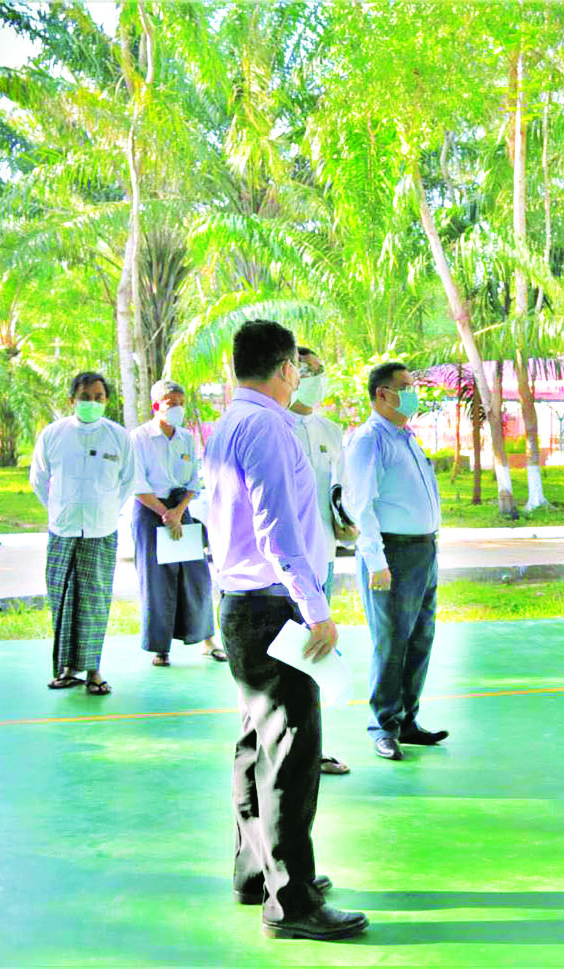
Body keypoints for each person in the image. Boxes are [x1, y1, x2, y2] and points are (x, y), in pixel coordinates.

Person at [203, 319, 367, 942]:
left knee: (255, 744)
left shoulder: (228, 423)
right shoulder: (270, 427)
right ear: (286, 368)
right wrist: (316, 608)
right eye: (300, 365)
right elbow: (277, 530)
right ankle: (292, 901)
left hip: (241, 602)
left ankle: (258, 873)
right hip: (273, 606)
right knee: (292, 755)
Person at [344, 362, 446, 762]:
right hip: (393, 552)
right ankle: (383, 726)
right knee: (391, 642)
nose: (412, 394)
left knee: (420, 638)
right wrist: (377, 561)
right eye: (404, 387)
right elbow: (361, 505)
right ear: (382, 394)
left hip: (424, 550)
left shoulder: (406, 437)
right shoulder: (370, 440)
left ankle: (407, 720)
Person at [30, 372, 137, 695]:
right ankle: (65, 669)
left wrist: (107, 509)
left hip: (101, 530)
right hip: (62, 530)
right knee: (62, 598)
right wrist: (57, 509)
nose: (92, 402)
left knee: (94, 601)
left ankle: (94, 671)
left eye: (98, 397)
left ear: (106, 400)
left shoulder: (118, 437)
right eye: (85, 397)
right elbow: (38, 478)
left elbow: (128, 480)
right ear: (72, 400)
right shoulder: (53, 434)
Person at [289, 347, 358, 775]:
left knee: (314, 653)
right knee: (281, 659)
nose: (316, 378)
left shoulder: (330, 431)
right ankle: (283, 750)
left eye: (320, 370)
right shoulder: (272, 428)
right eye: (306, 370)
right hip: (280, 567)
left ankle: (312, 748)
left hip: (322, 560)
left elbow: (340, 494)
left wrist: (347, 524)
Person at [130, 379, 220, 667]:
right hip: (150, 511)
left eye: (181, 403)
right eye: (171, 404)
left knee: (196, 575)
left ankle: (207, 640)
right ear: (156, 405)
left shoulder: (185, 438)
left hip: (181, 510)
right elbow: (138, 484)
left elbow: (193, 481)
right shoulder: (139, 438)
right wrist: (164, 513)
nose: (178, 409)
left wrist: (177, 513)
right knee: (157, 580)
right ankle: (160, 648)